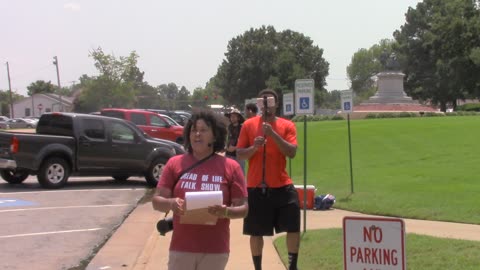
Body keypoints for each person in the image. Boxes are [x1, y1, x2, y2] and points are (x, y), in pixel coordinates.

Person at [152, 109, 248, 270]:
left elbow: (243, 209)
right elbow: (156, 201)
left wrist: (226, 212)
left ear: (215, 135)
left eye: (203, 130)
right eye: (194, 130)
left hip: (215, 249)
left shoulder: (231, 167)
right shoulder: (175, 163)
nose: (197, 134)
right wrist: (171, 203)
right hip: (181, 248)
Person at [236, 89, 300, 270]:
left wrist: (273, 134)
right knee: (255, 232)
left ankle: (293, 265)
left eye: (270, 103)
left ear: (276, 104)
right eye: (263, 104)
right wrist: (254, 148)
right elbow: (240, 154)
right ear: (258, 105)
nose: (266, 107)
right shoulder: (248, 125)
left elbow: (292, 152)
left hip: (282, 185)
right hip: (257, 186)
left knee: (293, 224)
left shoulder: (287, 125)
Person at [225, 108, 245, 173]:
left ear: (238, 118)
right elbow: (227, 139)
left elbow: (244, 141)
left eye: (234, 116)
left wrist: (235, 148)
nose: (232, 118)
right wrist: (226, 147)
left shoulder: (242, 127)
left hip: (238, 154)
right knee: (228, 172)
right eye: (231, 116)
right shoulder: (229, 127)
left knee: (240, 172)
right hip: (228, 153)